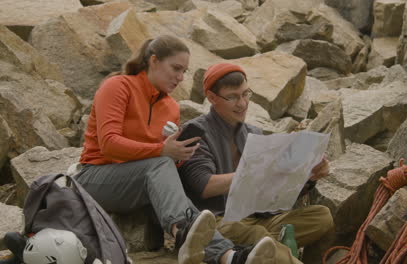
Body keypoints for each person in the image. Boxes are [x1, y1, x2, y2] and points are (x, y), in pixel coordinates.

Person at [75, 35, 277, 264]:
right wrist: (162, 150)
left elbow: (163, 164)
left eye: (185, 72)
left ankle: (228, 257)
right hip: (94, 178)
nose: (180, 78)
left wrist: (180, 156)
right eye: (176, 69)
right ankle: (183, 230)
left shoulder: (171, 106)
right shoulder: (118, 86)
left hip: (139, 183)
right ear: (154, 61)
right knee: (159, 164)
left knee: (167, 172)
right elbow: (109, 145)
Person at [178, 63, 335, 264]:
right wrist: (253, 173)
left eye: (246, 94)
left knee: (321, 216)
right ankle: (264, 251)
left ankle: (258, 250)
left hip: (259, 216)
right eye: (233, 97)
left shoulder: (254, 133)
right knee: (258, 234)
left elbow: (272, 193)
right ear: (212, 98)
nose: (242, 103)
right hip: (218, 220)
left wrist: (307, 177)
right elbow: (204, 186)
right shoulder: (195, 131)